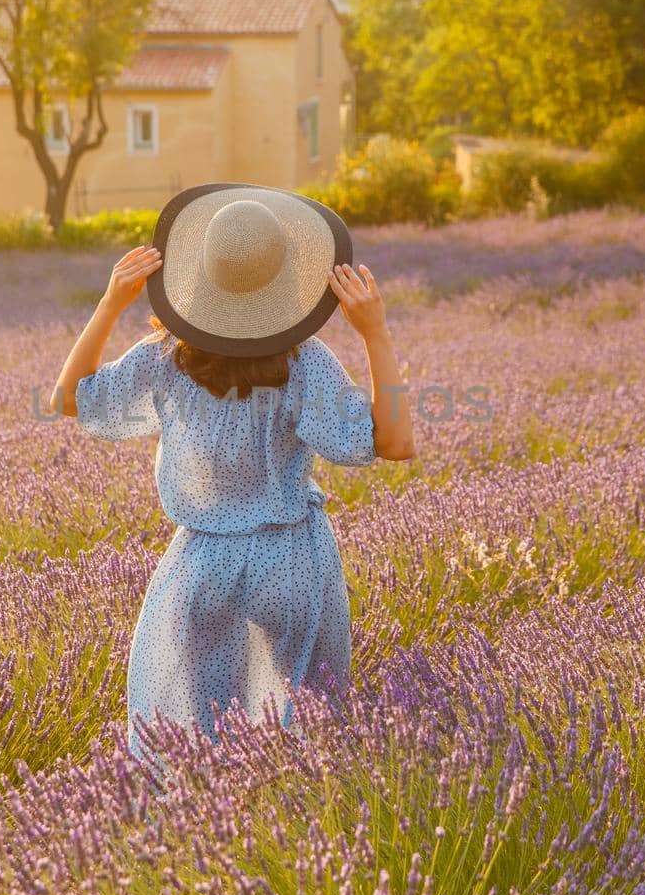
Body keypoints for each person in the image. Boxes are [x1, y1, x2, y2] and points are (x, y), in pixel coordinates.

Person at [49, 185, 415, 760]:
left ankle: (194, 831)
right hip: (294, 564)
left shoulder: (164, 359)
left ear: (197, 277)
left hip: (203, 568)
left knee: (192, 737)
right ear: (287, 280)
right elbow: (394, 443)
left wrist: (110, 303)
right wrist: (375, 331)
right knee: (305, 737)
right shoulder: (304, 364)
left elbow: (69, 398)